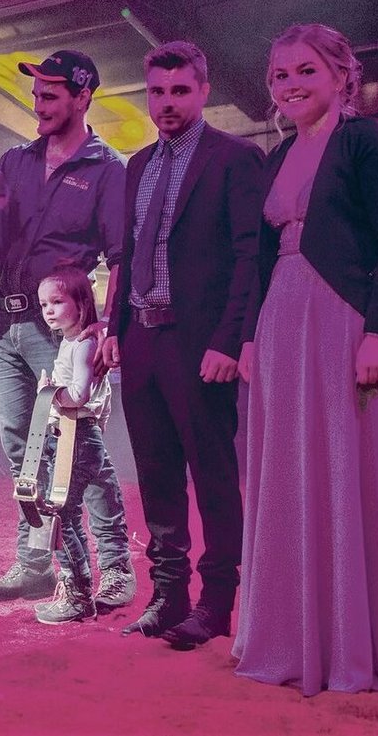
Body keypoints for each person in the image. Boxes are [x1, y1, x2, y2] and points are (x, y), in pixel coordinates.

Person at [233, 24, 378, 693]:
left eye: (305, 70)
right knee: (289, 479)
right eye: (279, 75)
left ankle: (357, 642)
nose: (290, 84)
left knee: (356, 477)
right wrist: (247, 337)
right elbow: (261, 256)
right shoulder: (275, 156)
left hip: (343, 321)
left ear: (340, 75)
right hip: (281, 326)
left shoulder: (363, 140)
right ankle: (293, 637)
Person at [102, 41, 265, 645]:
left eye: (179, 91)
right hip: (141, 338)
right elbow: (127, 253)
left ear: (203, 91)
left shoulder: (236, 158)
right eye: (157, 92)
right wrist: (114, 330)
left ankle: (217, 604)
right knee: (156, 473)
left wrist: (229, 341)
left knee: (214, 474)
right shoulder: (138, 166)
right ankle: (168, 598)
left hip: (201, 343)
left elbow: (251, 257)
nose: (166, 102)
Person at [0, 49, 133, 610]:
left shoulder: (107, 168)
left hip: (61, 331)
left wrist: (105, 326)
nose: (38, 104)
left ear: (83, 96)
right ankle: (37, 563)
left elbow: (120, 256)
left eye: (50, 95)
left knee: (80, 451)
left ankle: (115, 567)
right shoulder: (14, 161)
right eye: (36, 94)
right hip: (4, 327)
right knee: (23, 451)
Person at [32, 267, 113, 624]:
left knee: (62, 518)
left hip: (76, 437)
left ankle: (78, 595)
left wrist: (48, 393)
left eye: (56, 302)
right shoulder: (71, 342)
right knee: (63, 516)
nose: (48, 310)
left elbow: (78, 395)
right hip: (68, 436)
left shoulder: (83, 345)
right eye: (44, 304)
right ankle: (76, 591)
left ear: (81, 303)